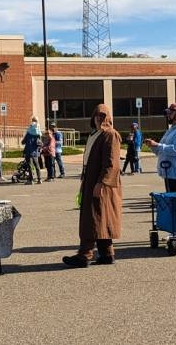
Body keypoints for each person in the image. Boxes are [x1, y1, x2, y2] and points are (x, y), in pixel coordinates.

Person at [63, 104, 123, 268]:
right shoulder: (95, 134)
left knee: (92, 218)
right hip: (91, 181)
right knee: (100, 218)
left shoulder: (110, 135)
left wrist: (102, 183)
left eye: (103, 116)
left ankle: (84, 255)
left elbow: (112, 163)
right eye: (97, 115)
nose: (100, 118)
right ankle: (106, 253)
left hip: (102, 183)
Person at [144, 103, 176, 193]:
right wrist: (152, 146)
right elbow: (161, 150)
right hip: (169, 173)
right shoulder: (171, 130)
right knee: (171, 204)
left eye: (170, 113)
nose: (168, 116)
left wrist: (157, 145)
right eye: (168, 113)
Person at [22, 118, 43, 185]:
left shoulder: (28, 133)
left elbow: (23, 142)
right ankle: (39, 179)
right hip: (35, 152)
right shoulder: (38, 134)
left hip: (28, 151)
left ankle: (31, 180)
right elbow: (40, 143)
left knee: (30, 166)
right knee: (37, 166)